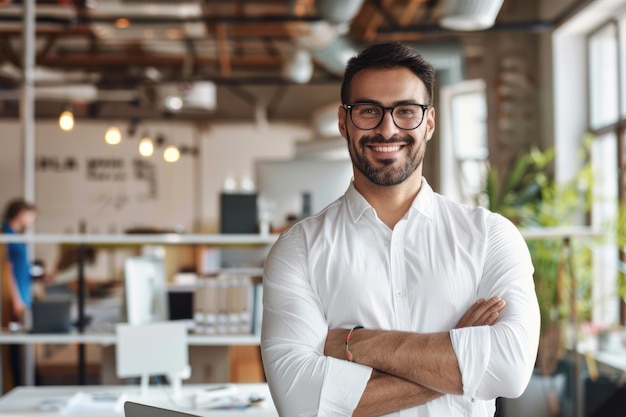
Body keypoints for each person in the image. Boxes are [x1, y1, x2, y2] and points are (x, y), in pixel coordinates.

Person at [261, 42, 540, 417]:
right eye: (368, 111)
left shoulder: (490, 236)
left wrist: (351, 343)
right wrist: (459, 359)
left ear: (429, 122)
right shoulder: (299, 249)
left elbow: (509, 369)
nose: (387, 128)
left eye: (406, 111)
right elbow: (300, 403)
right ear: (344, 122)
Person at [2, 199, 37, 323]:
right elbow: (6, 269)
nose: (33, 220)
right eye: (31, 215)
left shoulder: (17, 236)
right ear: (21, 213)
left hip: (23, 292)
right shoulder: (5, 235)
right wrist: (16, 299)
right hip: (13, 296)